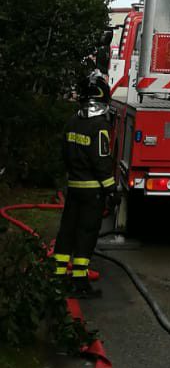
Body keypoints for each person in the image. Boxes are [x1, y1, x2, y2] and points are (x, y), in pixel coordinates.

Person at [53, 73, 116, 295]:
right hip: (92, 192)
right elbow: (101, 161)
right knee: (86, 233)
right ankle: (80, 282)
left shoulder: (72, 121)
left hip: (74, 187)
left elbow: (64, 153)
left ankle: (57, 276)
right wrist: (111, 189)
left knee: (67, 231)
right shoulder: (99, 126)